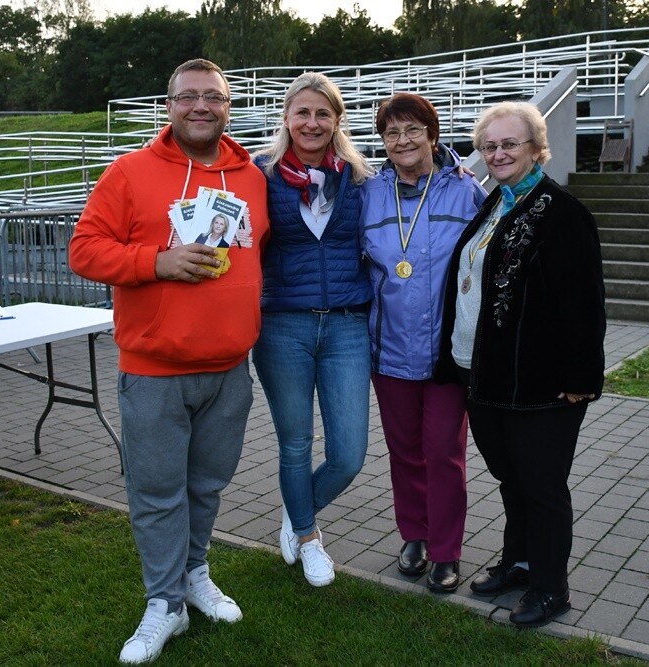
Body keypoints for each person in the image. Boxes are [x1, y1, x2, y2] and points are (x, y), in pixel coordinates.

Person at [68, 58, 268, 664]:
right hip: (154, 370)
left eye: (214, 96)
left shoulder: (250, 177)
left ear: (228, 106)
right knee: (158, 493)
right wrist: (156, 262)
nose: (201, 106)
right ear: (169, 105)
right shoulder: (129, 172)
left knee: (206, 486)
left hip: (229, 369)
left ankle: (195, 573)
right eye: (188, 97)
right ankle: (164, 601)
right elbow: (84, 249)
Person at [434, 101, 606, 627]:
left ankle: (551, 588)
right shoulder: (497, 202)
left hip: (541, 383)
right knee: (511, 478)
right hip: (483, 374)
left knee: (542, 486)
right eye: (489, 146)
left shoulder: (562, 212)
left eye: (510, 144)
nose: (498, 153)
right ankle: (520, 562)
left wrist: (581, 377)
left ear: (536, 148)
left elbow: (585, 302)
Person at [251, 72, 374, 587]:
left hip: (346, 326)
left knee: (348, 454)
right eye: (302, 112)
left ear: (337, 120)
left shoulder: (360, 178)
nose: (312, 122)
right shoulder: (259, 174)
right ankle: (308, 536)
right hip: (283, 326)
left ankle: (297, 507)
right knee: (296, 445)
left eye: (323, 113)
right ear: (286, 117)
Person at [359, 93, 486, 592]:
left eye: (413, 129)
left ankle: (446, 550)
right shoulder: (369, 194)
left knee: (444, 453)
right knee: (404, 451)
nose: (403, 140)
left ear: (433, 136)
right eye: (392, 133)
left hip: (446, 354)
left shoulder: (466, 191)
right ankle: (414, 535)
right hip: (389, 349)